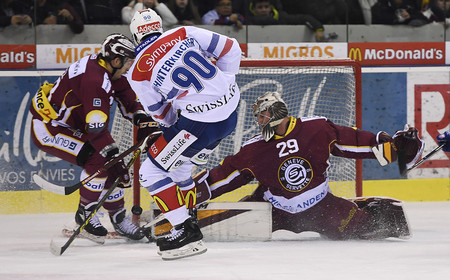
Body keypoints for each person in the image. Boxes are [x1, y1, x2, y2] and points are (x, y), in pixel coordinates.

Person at [193, 91, 425, 240]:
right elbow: (226, 176)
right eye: (258, 117)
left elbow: (355, 142)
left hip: (320, 206)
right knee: (222, 228)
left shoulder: (316, 128)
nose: (259, 121)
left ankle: (369, 207)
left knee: (373, 228)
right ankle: (177, 221)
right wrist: (193, 193)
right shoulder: (253, 148)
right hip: (273, 208)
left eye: (263, 116)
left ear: (277, 113)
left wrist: (396, 148)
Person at [127, 8, 242, 259]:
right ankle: (189, 216)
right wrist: (225, 85)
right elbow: (231, 48)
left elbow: (159, 112)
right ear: (159, 26)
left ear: (136, 35)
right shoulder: (183, 32)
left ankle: (186, 231)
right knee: (180, 165)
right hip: (231, 113)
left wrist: (172, 129)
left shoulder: (137, 71)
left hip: (199, 124)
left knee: (150, 171)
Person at [29, 33, 154, 243]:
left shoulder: (107, 69)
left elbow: (126, 96)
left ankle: (118, 218)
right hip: (50, 128)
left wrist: (141, 117)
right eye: (128, 63)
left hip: (73, 126)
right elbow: (96, 130)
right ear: (116, 60)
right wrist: (114, 157)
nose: (129, 68)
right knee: (102, 158)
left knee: (111, 164)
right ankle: (85, 214)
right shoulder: (94, 81)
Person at [247, 0, 325, 42]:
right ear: (253, 9)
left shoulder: (282, 17)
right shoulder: (247, 20)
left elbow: (305, 18)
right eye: (260, 7)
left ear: (270, 7)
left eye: (266, 7)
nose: (264, 10)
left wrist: (318, 29)